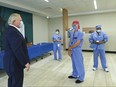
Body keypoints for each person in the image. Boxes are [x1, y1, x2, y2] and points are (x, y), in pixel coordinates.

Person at [3, 13, 30, 87]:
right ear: (14, 21)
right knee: (17, 83)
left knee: (12, 82)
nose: (21, 22)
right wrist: (25, 62)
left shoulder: (8, 30)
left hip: (11, 63)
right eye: (20, 20)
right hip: (14, 64)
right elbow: (17, 50)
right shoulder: (13, 32)